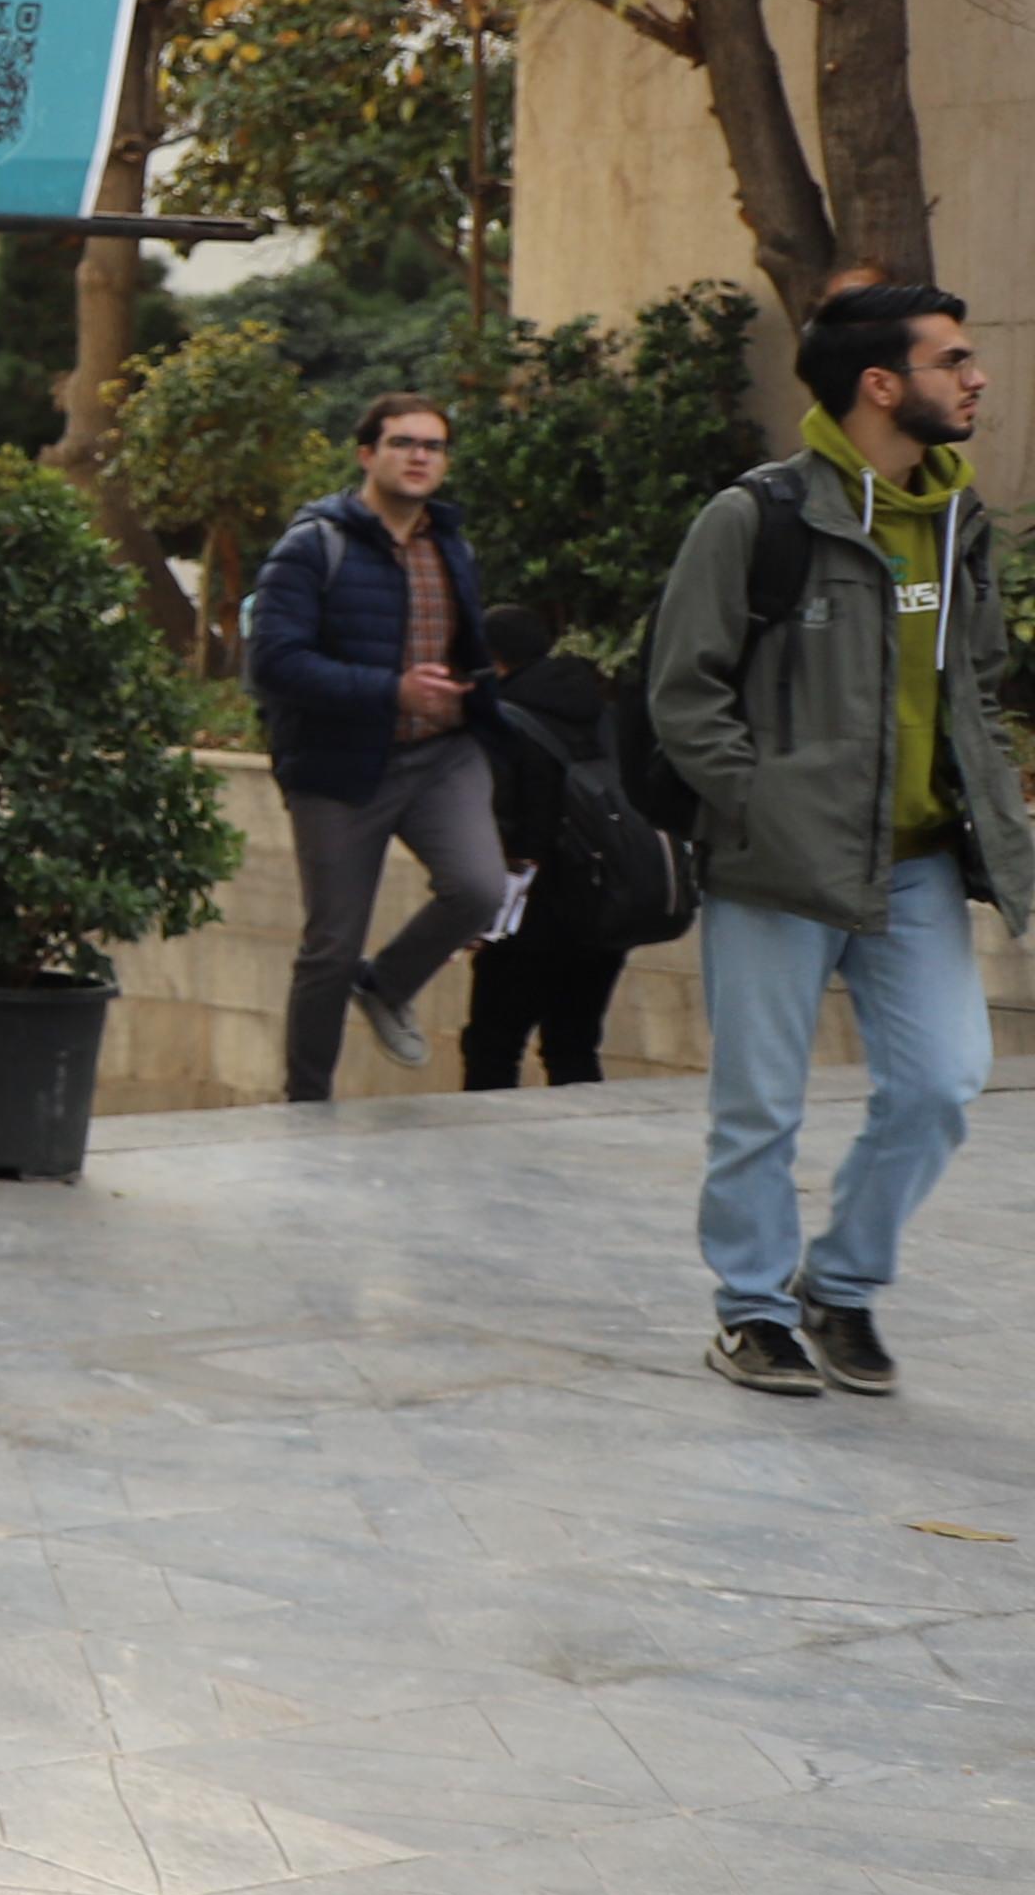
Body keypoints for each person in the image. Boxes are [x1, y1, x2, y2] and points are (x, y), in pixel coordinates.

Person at [650, 284, 1027, 1399]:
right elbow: (684, 693)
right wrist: (757, 807)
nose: (977, 378)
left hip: (915, 863)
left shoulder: (958, 519)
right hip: (777, 867)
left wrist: (994, 792)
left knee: (944, 1083)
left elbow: (981, 680)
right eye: (952, 360)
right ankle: (753, 1309)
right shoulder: (758, 516)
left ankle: (842, 1284)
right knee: (759, 1105)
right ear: (881, 384)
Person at [242, 394, 506, 1098]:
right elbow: (273, 662)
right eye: (403, 443)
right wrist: (391, 690)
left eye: (434, 446)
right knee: (331, 946)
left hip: (443, 755)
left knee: (480, 889)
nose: (420, 457)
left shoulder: (452, 546)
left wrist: (477, 694)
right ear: (367, 455)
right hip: (338, 767)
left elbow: (462, 644)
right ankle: (306, 1101)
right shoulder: (312, 546)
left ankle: (386, 985)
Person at [459, 604, 635, 1089]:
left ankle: (484, 1140)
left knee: (493, 1047)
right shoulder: (604, 711)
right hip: (605, 907)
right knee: (574, 1045)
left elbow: (502, 824)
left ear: (492, 660)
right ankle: (580, 1138)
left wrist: (478, 910)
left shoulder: (504, 722)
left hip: (532, 912)